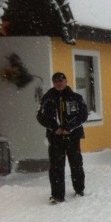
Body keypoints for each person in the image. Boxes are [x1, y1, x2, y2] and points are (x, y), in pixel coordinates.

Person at [36, 72, 88, 204]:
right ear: (53, 83)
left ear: (66, 81)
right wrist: (55, 128)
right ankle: (58, 195)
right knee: (56, 167)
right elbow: (41, 117)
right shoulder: (47, 98)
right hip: (55, 138)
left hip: (72, 136)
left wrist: (68, 128)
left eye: (61, 81)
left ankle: (79, 189)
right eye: (56, 81)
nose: (59, 83)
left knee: (76, 164)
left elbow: (83, 115)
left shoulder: (76, 97)